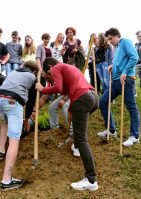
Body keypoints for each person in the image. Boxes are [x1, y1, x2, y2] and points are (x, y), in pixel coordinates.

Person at [36, 57, 99, 191]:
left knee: (81, 139)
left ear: (50, 67)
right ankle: (76, 146)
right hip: (92, 97)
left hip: (82, 99)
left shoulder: (57, 67)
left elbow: (58, 87)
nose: (50, 78)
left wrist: (43, 89)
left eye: (48, 75)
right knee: (79, 134)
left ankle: (91, 180)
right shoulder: (69, 69)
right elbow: (67, 90)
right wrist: (70, 109)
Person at [0, 61, 38, 190]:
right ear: (34, 71)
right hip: (13, 102)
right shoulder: (33, 77)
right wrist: (27, 118)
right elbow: (31, 101)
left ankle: (1, 150)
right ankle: (6, 180)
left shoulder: (13, 72)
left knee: (5, 122)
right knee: (14, 140)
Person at [97, 28, 140, 148]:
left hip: (125, 79)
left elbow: (134, 57)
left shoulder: (125, 42)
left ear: (117, 35)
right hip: (116, 80)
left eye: (111, 38)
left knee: (131, 107)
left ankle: (135, 136)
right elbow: (121, 61)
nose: (109, 41)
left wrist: (125, 72)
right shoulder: (116, 47)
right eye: (108, 39)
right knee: (103, 102)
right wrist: (112, 66)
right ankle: (111, 130)